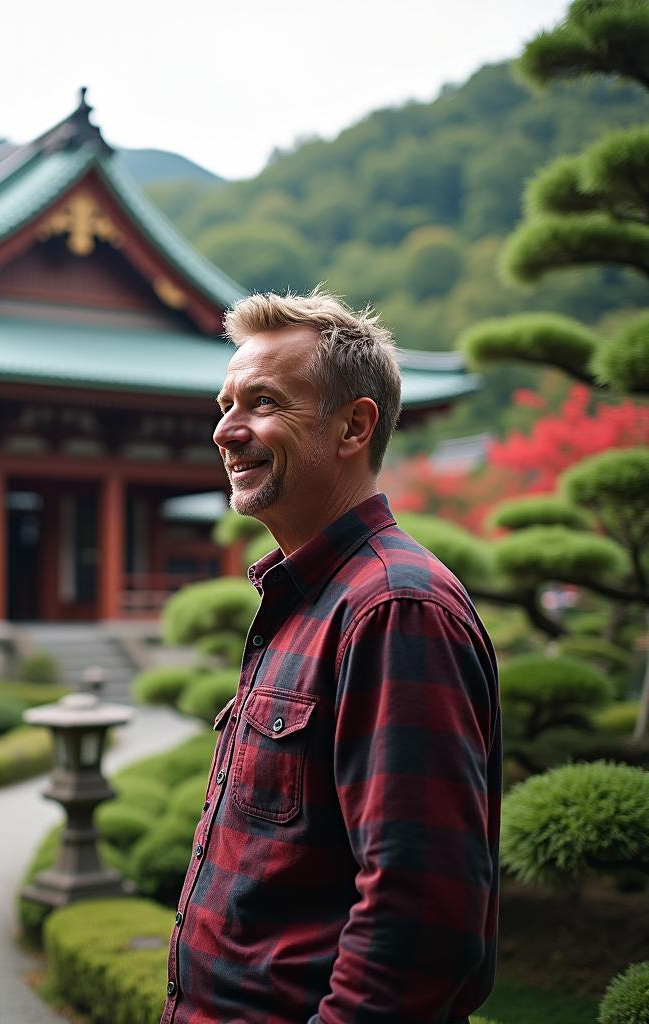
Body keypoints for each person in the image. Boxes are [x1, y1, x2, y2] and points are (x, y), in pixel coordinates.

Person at [160, 290, 501, 1024]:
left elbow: (421, 918)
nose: (225, 431)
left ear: (353, 426)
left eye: (262, 402)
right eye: (224, 405)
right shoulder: (308, 599)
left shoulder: (393, 610)